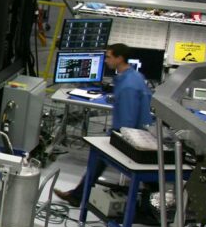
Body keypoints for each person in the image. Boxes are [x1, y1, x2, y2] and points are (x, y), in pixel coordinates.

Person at [54, 43, 153, 207]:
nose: (105, 60)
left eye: (108, 57)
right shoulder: (133, 77)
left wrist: (115, 139)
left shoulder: (128, 85)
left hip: (128, 136)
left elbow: (127, 122)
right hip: (133, 132)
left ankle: (78, 196)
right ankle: (78, 195)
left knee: (98, 157)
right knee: (98, 161)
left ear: (119, 58)